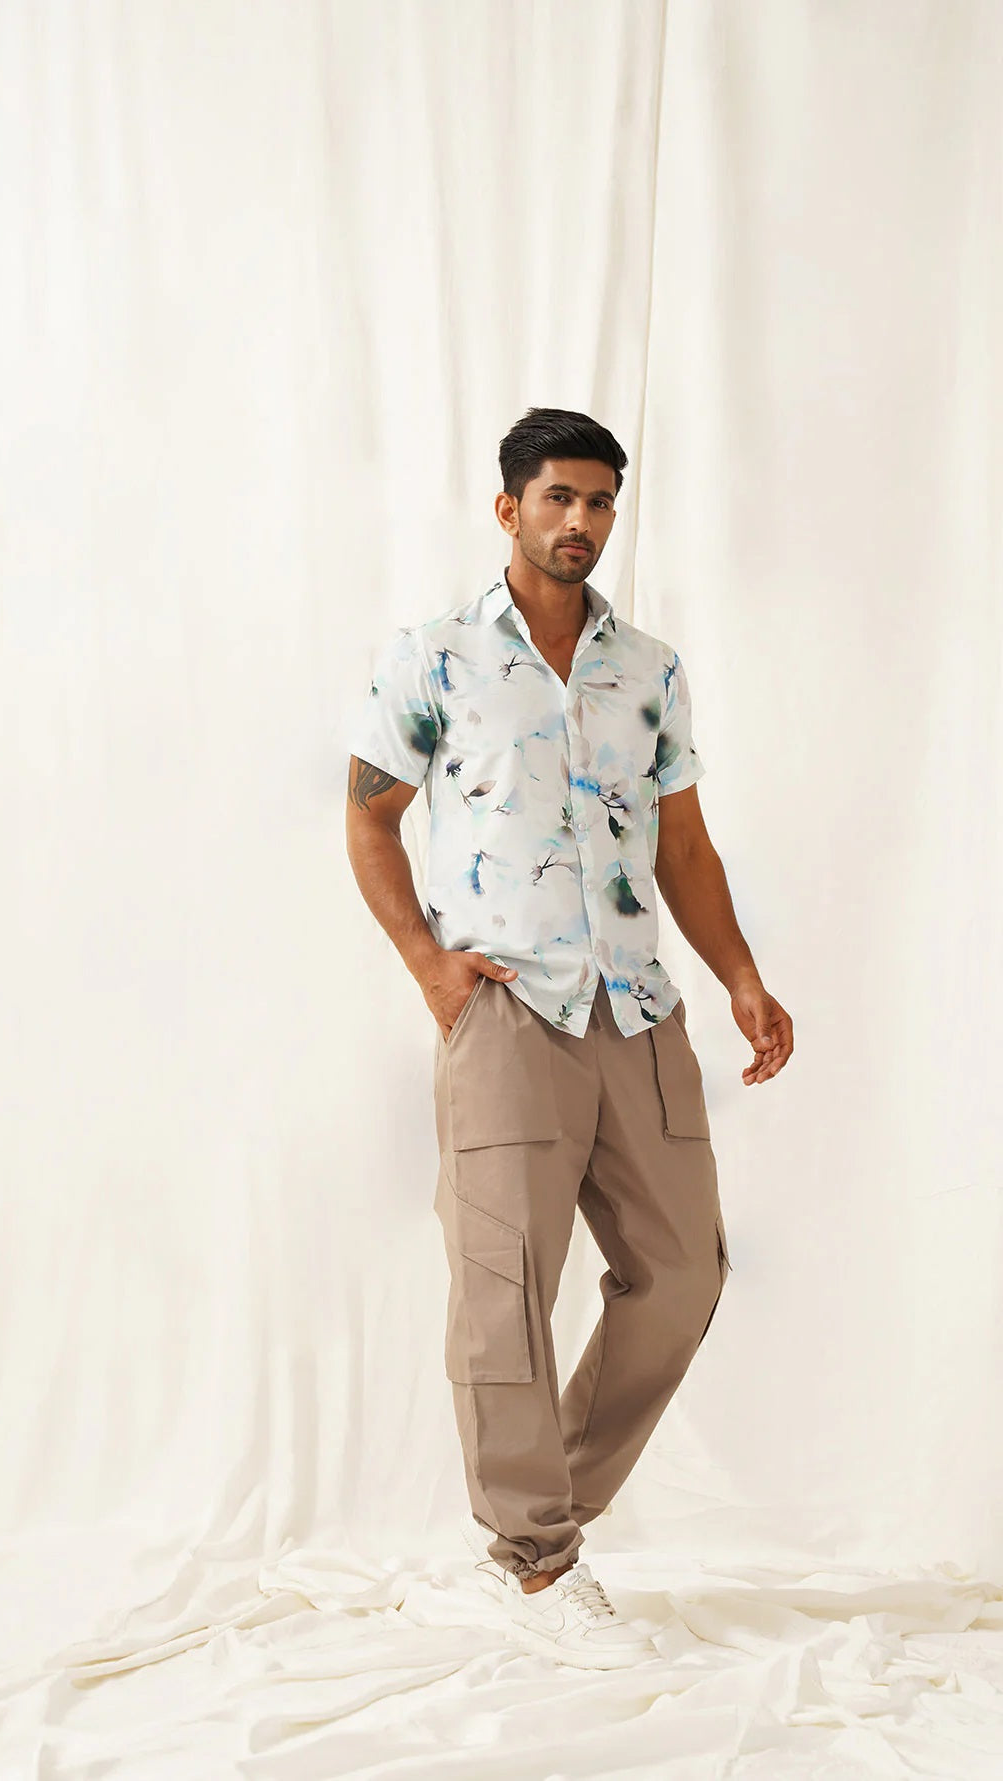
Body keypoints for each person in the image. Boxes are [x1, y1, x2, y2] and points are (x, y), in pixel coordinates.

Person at [344, 406, 793, 1669]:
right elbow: (369, 819)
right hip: (505, 1009)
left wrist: (742, 977)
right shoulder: (433, 657)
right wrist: (429, 966)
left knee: (684, 1273)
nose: (581, 520)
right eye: (559, 498)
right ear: (510, 509)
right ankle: (537, 1560)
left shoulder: (649, 669)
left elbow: (685, 844)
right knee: (506, 1292)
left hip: (637, 1007)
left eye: (599, 501)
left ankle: (530, 1527)